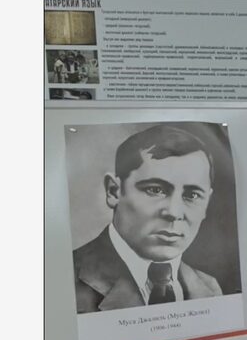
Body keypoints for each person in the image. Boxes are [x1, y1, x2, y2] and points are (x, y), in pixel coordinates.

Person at [73, 125, 225, 310]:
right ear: (114, 191)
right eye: (155, 190)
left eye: (192, 195)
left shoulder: (210, 287)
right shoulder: (61, 278)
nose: (174, 213)